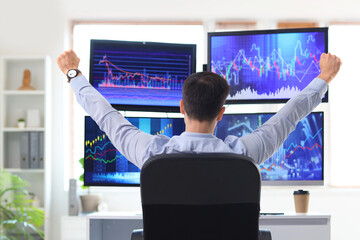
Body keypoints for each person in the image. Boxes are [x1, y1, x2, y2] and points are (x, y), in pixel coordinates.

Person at [57, 50, 341, 168]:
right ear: (221, 112)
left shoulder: (151, 153)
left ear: (182, 107)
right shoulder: (243, 154)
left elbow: (106, 117)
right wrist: (324, 77)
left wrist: (73, 74)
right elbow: (289, 115)